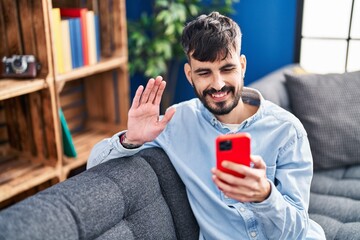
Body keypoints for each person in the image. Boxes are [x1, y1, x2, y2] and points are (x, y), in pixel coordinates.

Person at [87, 12, 325, 239]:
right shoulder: (177, 122)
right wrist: (132, 139)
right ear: (190, 75)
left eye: (227, 68)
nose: (218, 84)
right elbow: (94, 165)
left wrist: (265, 196)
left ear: (242, 66)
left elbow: (296, 231)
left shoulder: (287, 130)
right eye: (204, 73)